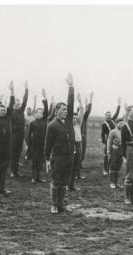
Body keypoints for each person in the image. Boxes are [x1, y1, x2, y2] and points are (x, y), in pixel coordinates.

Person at [45, 73, 75, 214]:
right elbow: (48, 144)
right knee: (56, 181)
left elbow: (71, 102)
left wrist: (71, 86)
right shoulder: (52, 125)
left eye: (66, 110)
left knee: (64, 182)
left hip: (69, 156)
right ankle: (54, 205)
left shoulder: (68, 121)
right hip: (57, 157)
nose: (66, 111)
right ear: (56, 111)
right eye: (63, 109)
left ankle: (61, 204)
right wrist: (47, 159)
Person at [27, 89, 48, 183]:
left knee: (40, 161)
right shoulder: (32, 123)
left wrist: (44, 98)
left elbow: (46, 109)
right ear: (36, 113)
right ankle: (33, 177)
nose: (41, 114)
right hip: (34, 145)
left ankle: (39, 177)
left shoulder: (44, 121)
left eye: (41, 113)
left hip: (42, 144)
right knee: (34, 161)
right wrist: (29, 145)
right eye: (39, 112)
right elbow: (28, 135)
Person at [10, 82, 29, 177]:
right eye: (16, 104)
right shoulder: (11, 113)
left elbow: (25, 100)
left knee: (18, 153)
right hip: (13, 135)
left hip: (21, 134)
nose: (18, 105)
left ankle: (16, 171)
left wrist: (26, 89)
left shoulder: (21, 111)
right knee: (13, 153)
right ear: (13, 105)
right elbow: (10, 125)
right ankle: (12, 171)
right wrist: (16, 127)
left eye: (19, 104)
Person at [68, 93, 85, 191]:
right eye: (73, 118)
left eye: (76, 118)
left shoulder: (78, 124)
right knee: (70, 166)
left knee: (76, 166)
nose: (75, 119)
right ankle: (66, 185)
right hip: (72, 145)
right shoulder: (69, 125)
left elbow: (81, 112)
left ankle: (72, 185)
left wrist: (79, 101)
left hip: (79, 145)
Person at [101, 98, 121, 175]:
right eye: (107, 115)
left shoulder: (113, 120)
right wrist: (103, 141)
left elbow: (116, 113)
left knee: (113, 155)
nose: (109, 116)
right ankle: (105, 170)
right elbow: (103, 133)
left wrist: (119, 105)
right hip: (108, 141)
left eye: (110, 115)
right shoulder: (104, 123)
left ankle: (110, 168)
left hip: (114, 140)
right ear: (105, 116)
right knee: (107, 155)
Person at [80, 94, 93, 169]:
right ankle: (77, 165)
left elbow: (87, 112)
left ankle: (80, 163)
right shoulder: (77, 120)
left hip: (84, 137)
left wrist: (88, 102)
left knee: (83, 150)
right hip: (78, 138)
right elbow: (85, 112)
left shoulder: (84, 118)